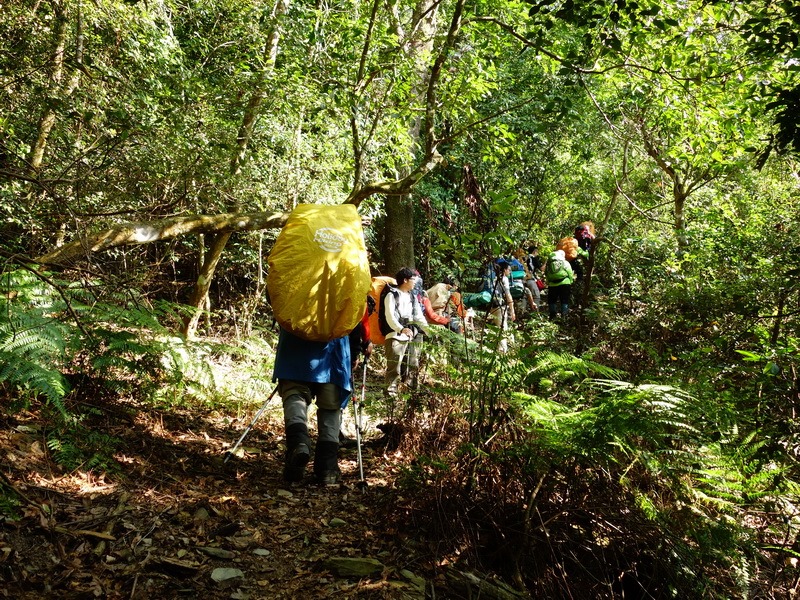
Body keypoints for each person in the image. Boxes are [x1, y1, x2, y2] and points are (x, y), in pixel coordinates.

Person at [273, 328, 352, 486]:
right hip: (334, 347)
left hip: (294, 340)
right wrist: (357, 347)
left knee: (294, 394)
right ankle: (327, 468)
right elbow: (356, 311)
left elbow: (277, 304)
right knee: (330, 406)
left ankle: (299, 444)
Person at [379, 267, 429, 398]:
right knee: (394, 367)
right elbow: (390, 316)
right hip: (395, 335)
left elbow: (418, 316)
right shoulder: (392, 295)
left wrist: (428, 330)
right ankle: (390, 395)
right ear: (405, 280)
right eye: (413, 279)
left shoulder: (412, 297)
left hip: (412, 333)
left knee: (413, 364)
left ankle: (412, 395)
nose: (415, 282)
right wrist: (401, 329)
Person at [340, 298, 374, 447]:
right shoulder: (357, 292)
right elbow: (362, 323)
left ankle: (300, 436)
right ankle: (333, 435)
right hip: (342, 348)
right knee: (339, 391)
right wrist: (357, 351)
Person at [488, 259, 516, 353]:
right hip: (500, 306)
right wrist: (512, 310)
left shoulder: (492, 278)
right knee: (503, 329)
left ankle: (507, 348)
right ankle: (502, 352)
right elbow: (508, 295)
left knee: (499, 328)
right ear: (504, 270)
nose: (510, 271)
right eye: (509, 269)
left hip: (491, 305)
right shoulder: (504, 279)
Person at [545, 249, 575, 320]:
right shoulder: (565, 262)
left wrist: (548, 282)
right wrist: (571, 281)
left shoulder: (549, 263)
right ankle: (564, 316)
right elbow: (570, 273)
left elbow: (547, 273)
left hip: (552, 284)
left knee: (552, 300)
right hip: (565, 283)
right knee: (564, 300)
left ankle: (552, 316)